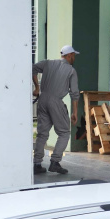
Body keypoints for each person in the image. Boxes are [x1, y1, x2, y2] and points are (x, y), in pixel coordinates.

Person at [32, 45, 80, 175]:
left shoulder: (48, 63)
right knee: (64, 132)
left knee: (42, 134)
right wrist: (75, 112)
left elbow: (33, 68)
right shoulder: (71, 70)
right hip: (55, 102)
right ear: (69, 55)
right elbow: (74, 93)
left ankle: (37, 164)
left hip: (42, 99)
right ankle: (55, 162)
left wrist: (37, 87)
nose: (74, 58)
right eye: (73, 56)